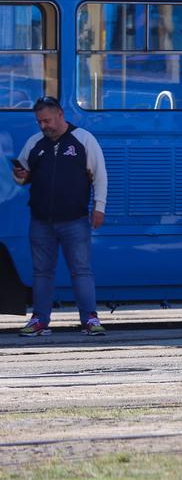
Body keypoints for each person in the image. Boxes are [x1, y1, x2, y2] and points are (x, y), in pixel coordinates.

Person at [13, 96, 107, 337]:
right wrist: (20, 174)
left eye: (47, 120)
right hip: (41, 220)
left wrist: (99, 207)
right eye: (39, 122)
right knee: (42, 272)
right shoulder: (34, 143)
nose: (43, 126)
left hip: (74, 219)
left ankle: (90, 318)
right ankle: (39, 320)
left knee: (81, 270)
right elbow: (22, 176)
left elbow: (100, 176)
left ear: (61, 115)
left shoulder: (84, 139)